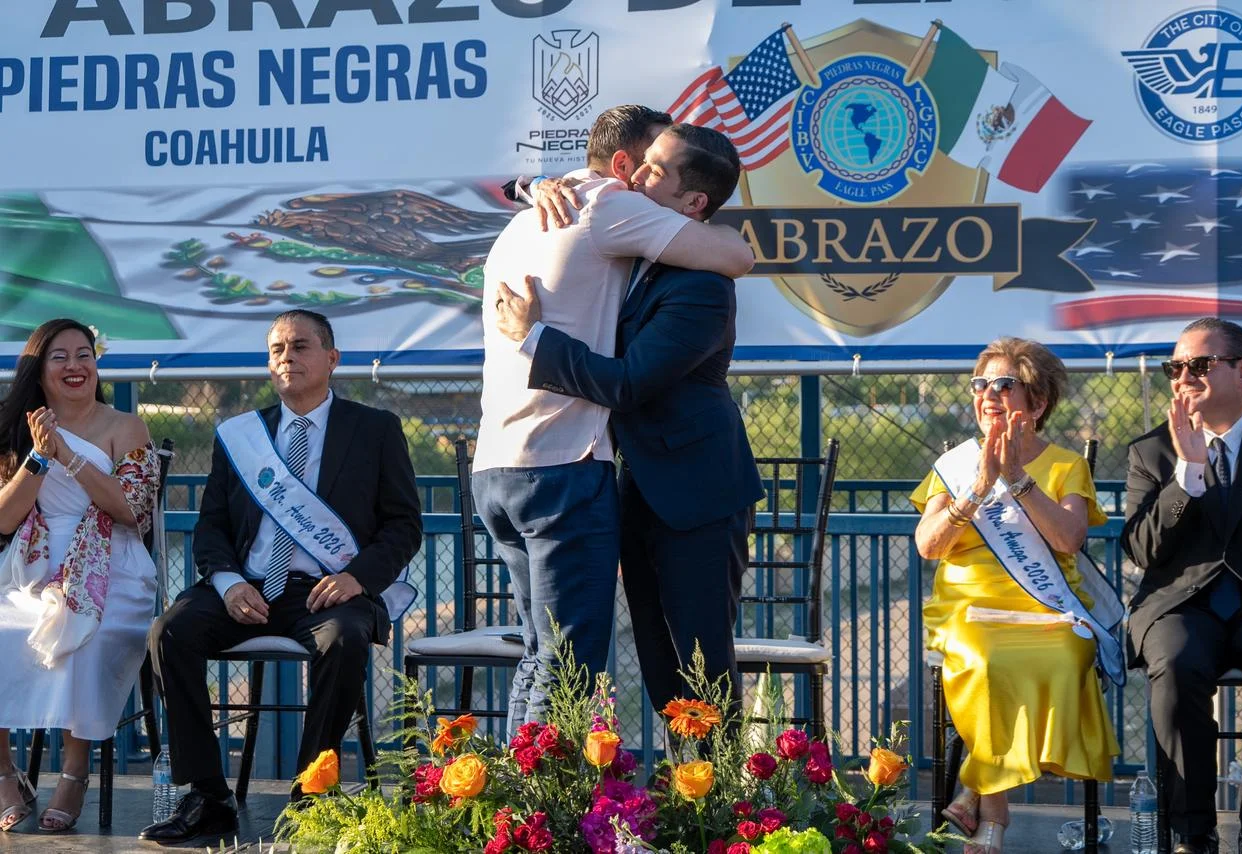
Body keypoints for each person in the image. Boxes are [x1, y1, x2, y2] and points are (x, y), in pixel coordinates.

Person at [474, 106, 754, 731]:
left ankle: (727, 810)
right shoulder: (626, 236)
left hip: (696, 491)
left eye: (657, 172)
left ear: (694, 202)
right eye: (642, 164)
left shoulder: (702, 285)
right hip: (631, 487)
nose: (638, 180)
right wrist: (537, 186)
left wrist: (534, 338)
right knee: (649, 663)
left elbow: (628, 383)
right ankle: (662, 800)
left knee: (700, 664)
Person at [140, 310, 421, 845]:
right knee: (169, 632)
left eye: (300, 346)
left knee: (345, 638)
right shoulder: (241, 436)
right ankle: (208, 795)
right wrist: (228, 583)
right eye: (276, 350)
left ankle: (310, 797)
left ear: (332, 359)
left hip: (327, 591)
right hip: (246, 588)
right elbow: (212, 528)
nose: (287, 357)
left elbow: (404, 525)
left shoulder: (375, 429)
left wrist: (358, 578)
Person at [911, 337, 1118, 854]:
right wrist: (979, 486)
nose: (989, 395)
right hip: (968, 607)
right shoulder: (956, 466)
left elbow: (1069, 539)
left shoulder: (1067, 465)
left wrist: (1018, 479)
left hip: (1045, 606)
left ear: (1038, 402)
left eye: (1005, 384)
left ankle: (973, 787)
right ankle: (995, 819)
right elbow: (928, 546)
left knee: (1068, 654)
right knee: (984, 662)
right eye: (982, 384)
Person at [1124, 318, 1242, 854]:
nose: (1183, 377)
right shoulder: (1152, 452)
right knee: (1177, 663)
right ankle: (1193, 834)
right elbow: (1143, 551)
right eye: (1176, 368)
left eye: (1199, 365)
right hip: (1180, 604)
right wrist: (1187, 473)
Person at [0, 318, 158, 833]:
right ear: (38, 371)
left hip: (114, 565)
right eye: (60, 357)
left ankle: (73, 773)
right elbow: (4, 519)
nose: (75, 366)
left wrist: (68, 455)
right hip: (34, 567)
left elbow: (133, 510)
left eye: (84, 354)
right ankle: (5, 773)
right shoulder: (16, 428)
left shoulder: (126, 426)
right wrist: (41, 456)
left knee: (81, 634)